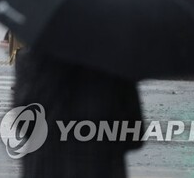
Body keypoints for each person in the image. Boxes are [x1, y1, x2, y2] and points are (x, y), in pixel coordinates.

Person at [13, 49, 143, 177]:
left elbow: (25, 123)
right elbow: (133, 134)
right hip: (101, 168)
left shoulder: (32, 60)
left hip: (45, 167)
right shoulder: (118, 66)